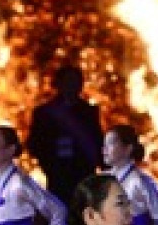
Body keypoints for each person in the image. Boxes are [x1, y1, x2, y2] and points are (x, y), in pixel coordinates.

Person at [27, 65, 103, 207]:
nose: (72, 85)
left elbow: (98, 142)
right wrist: (48, 165)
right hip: (57, 176)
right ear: (59, 84)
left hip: (83, 176)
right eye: (68, 81)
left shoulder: (89, 113)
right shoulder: (44, 114)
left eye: (75, 81)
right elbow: (34, 144)